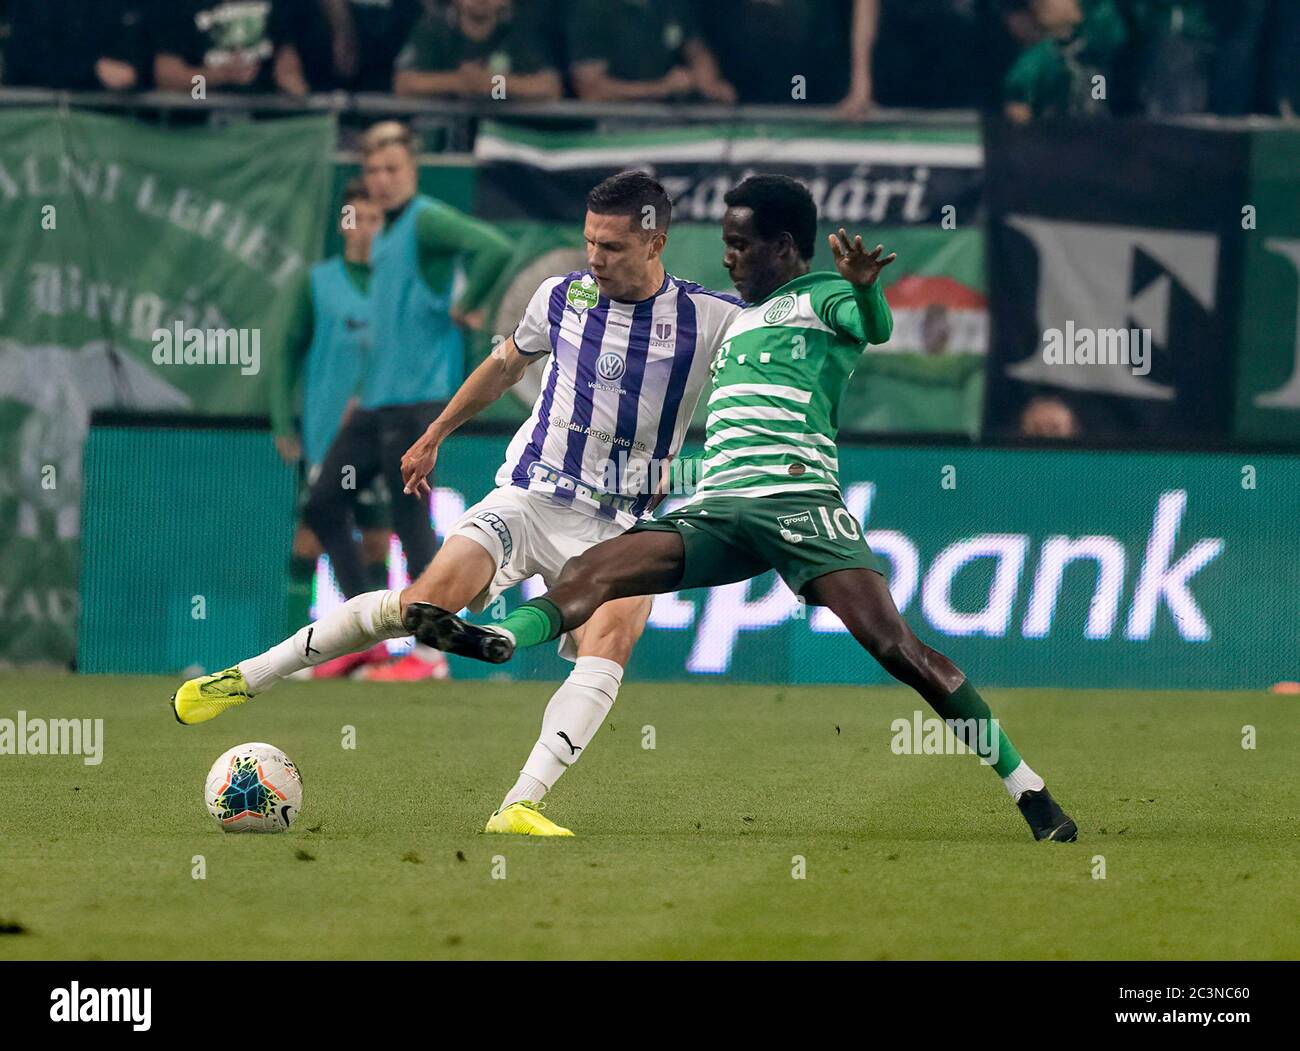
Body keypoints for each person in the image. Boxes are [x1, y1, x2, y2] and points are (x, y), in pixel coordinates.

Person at [405, 175, 1080, 844]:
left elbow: (870, 328)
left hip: (798, 504)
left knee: (893, 646)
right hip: (721, 506)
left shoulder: (822, 298)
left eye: (739, 244)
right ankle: (496, 640)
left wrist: (867, 290)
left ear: (783, 246)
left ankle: (1031, 791)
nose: (727, 256)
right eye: (725, 243)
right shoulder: (734, 316)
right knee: (594, 568)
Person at [170, 172, 745, 835]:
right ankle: (246, 678)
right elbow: (506, 365)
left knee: (610, 640)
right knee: (424, 603)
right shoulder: (561, 296)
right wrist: (436, 433)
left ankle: (519, 805)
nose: (594, 257)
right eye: (589, 241)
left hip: (619, 526)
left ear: (656, 243)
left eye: (612, 247)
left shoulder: (711, 318)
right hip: (530, 496)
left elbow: (786, 353)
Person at [305, 121, 510, 680]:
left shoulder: (426, 220)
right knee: (323, 502)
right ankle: (366, 639)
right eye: (372, 170)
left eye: (392, 169)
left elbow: (494, 246)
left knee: (410, 519)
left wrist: (471, 305)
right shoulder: (387, 235)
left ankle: (430, 653)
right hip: (377, 404)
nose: (382, 179)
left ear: (413, 173)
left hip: (420, 401)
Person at [268, 178, 394, 677]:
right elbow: (284, 353)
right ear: (343, 224)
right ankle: (293, 659)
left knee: (378, 541)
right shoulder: (316, 282)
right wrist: (283, 422)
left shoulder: (396, 288)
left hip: (382, 438)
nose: (364, 230)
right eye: (356, 219)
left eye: (375, 220)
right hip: (325, 437)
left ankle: (372, 657)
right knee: (311, 537)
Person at [567, 0, 735, 104]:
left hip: (672, 122)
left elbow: (697, 50)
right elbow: (591, 89)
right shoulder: (593, 9)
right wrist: (661, 87)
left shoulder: (671, 4)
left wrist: (708, 83)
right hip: (614, 128)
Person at [393, 0, 562, 100]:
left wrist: (495, 84)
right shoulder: (433, 29)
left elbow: (550, 89)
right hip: (441, 140)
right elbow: (403, 85)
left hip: (502, 139)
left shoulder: (519, 33)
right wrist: (458, 82)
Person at [153, 0, 309, 96]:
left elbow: (289, 74)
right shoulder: (181, 6)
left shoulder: (280, 6)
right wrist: (220, 75)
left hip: (266, 130)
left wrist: (293, 89)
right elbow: (167, 78)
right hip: (199, 126)